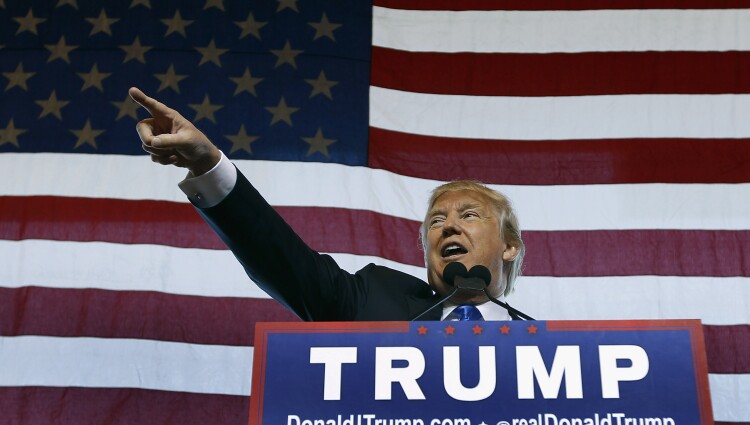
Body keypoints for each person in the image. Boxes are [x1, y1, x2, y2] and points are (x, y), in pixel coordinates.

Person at [129, 87, 527, 321]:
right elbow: (282, 261)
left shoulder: (552, 353)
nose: (448, 227)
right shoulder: (372, 298)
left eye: (469, 215)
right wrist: (207, 163)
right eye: (436, 221)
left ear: (510, 245)